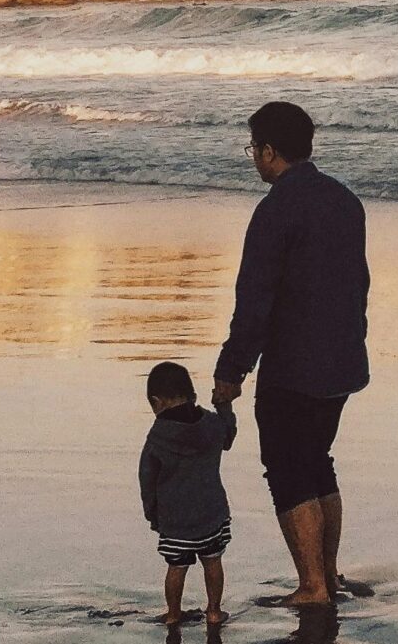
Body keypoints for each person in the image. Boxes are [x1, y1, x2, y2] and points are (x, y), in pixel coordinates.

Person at [212, 101, 369, 609]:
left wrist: (231, 370)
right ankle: (328, 574)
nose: (253, 157)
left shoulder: (276, 209)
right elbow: (358, 284)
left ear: (269, 151)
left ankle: (313, 587)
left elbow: (255, 298)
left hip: (294, 366)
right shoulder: (345, 200)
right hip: (342, 360)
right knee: (317, 463)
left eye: (253, 148)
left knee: (287, 469)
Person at [139, 361, 238, 626]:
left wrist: (153, 515)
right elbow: (228, 436)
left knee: (176, 567)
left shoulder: (158, 436)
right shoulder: (212, 424)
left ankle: (173, 614)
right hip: (211, 515)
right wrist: (224, 406)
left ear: (157, 402)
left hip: (175, 521)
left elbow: (147, 479)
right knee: (213, 562)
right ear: (193, 395)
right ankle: (214, 611)